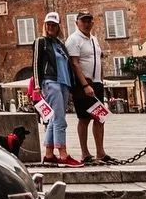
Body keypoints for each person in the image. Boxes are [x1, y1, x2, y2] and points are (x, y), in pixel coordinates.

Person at [32, 13, 95, 167]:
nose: (51, 27)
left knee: (54, 119)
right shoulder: (41, 42)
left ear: (58, 26)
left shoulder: (60, 45)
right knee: (60, 119)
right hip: (51, 82)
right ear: (45, 25)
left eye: (54, 25)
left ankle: (49, 154)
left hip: (64, 83)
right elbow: (36, 63)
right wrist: (37, 86)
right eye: (48, 24)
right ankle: (63, 154)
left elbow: (69, 65)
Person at [65, 13, 116, 164]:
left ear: (93, 23)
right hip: (83, 84)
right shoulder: (73, 39)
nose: (87, 24)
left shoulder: (94, 39)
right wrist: (85, 85)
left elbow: (97, 59)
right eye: (83, 21)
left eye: (89, 21)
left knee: (100, 117)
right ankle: (85, 153)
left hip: (96, 83)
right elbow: (74, 63)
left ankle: (100, 152)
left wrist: (100, 80)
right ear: (77, 23)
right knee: (84, 118)